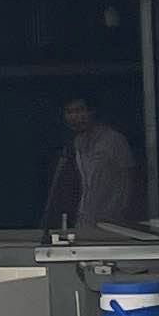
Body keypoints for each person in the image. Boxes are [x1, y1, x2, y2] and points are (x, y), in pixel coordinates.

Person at [41, 94, 140, 239]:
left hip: (114, 221)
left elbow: (131, 179)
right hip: (85, 219)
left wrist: (125, 212)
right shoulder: (78, 142)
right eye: (69, 112)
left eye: (80, 110)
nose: (75, 117)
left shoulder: (114, 140)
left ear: (92, 112)